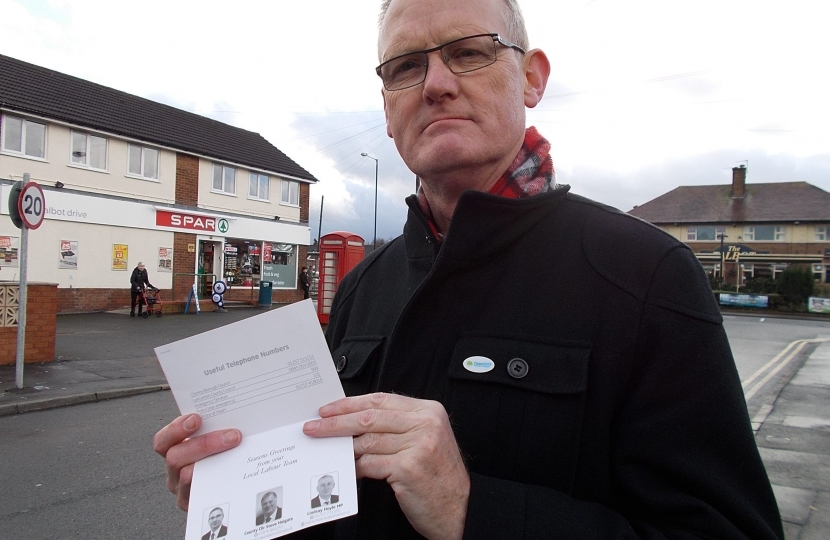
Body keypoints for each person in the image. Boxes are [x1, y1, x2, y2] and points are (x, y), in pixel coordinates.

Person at [153, 0, 785, 538]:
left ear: (532, 78)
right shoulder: (362, 288)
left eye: (469, 52)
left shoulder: (646, 274)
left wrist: (472, 510)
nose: (435, 83)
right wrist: (236, 500)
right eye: (406, 66)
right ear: (387, 101)